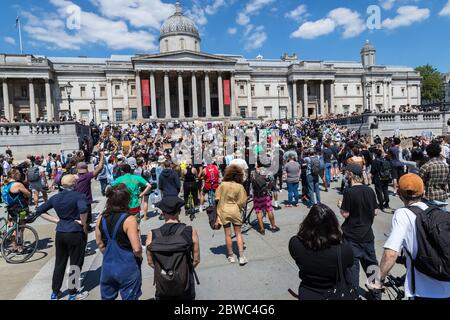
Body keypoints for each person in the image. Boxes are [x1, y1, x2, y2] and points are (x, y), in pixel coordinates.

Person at [373, 173, 450, 299]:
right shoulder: (433, 211)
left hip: (423, 291)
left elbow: (390, 254)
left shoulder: (402, 214)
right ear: (423, 192)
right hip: (447, 286)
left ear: (399, 194)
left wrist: (377, 280)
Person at [35, 175, 89, 300]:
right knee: (75, 263)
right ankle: (72, 292)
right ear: (74, 184)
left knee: (59, 263)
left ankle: (55, 291)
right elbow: (83, 209)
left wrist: (57, 220)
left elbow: (40, 210)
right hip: (75, 232)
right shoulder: (79, 196)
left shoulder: (56, 197)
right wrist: (83, 223)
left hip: (60, 232)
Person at [289, 204, 354, 300]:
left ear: (307, 222)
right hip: (334, 292)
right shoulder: (343, 251)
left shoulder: (295, 243)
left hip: (308, 291)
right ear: (333, 225)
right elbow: (349, 264)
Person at [337, 164, 380, 299]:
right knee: (372, 265)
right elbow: (375, 211)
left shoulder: (349, 192)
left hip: (351, 237)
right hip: (367, 235)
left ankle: (353, 294)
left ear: (350, 174)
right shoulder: (369, 190)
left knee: (352, 269)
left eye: (346, 173)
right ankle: (376, 294)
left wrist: (340, 206)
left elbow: (345, 214)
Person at [145, 196, 200, 300]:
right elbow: (196, 260)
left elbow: (150, 262)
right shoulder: (190, 231)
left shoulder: (152, 234)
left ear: (163, 213)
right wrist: (182, 270)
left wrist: (165, 271)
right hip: (185, 284)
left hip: (163, 284)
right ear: (179, 211)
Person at [95, 185, 142, 300]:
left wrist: (108, 254)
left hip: (107, 267)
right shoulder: (129, 220)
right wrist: (139, 257)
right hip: (127, 267)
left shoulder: (101, 218)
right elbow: (136, 248)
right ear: (127, 200)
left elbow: (99, 243)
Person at [215, 165, 248, 265]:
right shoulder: (240, 186)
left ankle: (230, 255)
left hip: (224, 210)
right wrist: (238, 206)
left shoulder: (223, 184)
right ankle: (241, 257)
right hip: (235, 210)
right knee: (238, 233)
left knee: (227, 234)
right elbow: (242, 201)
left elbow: (217, 198)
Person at [75, 151, 104, 226]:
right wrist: (102, 156)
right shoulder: (87, 176)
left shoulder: (74, 177)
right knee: (86, 222)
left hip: (76, 202)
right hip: (86, 201)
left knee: (79, 220)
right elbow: (99, 168)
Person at [419, 142, 449, 212]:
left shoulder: (425, 167)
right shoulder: (445, 166)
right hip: (442, 196)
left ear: (428, 153)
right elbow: (447, 180)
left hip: (429, 197)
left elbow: (420, 183)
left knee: (430, 220)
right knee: (442, 219)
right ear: (439, 152)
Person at [251, 162, 280, 235]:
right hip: (266, 194)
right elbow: (273, 183)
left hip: (257, 195)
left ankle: (262, 229)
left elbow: (250, 182)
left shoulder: (253, 173)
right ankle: (273, 226)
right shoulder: (268, 172)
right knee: (269, 209)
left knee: (258, 211)